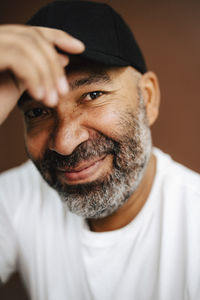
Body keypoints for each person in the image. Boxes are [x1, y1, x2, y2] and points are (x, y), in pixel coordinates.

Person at [0, 1, 200, 299]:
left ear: (148, 98)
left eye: (93, 95)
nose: (65, 143)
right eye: (38, 112)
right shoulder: (15, 196)